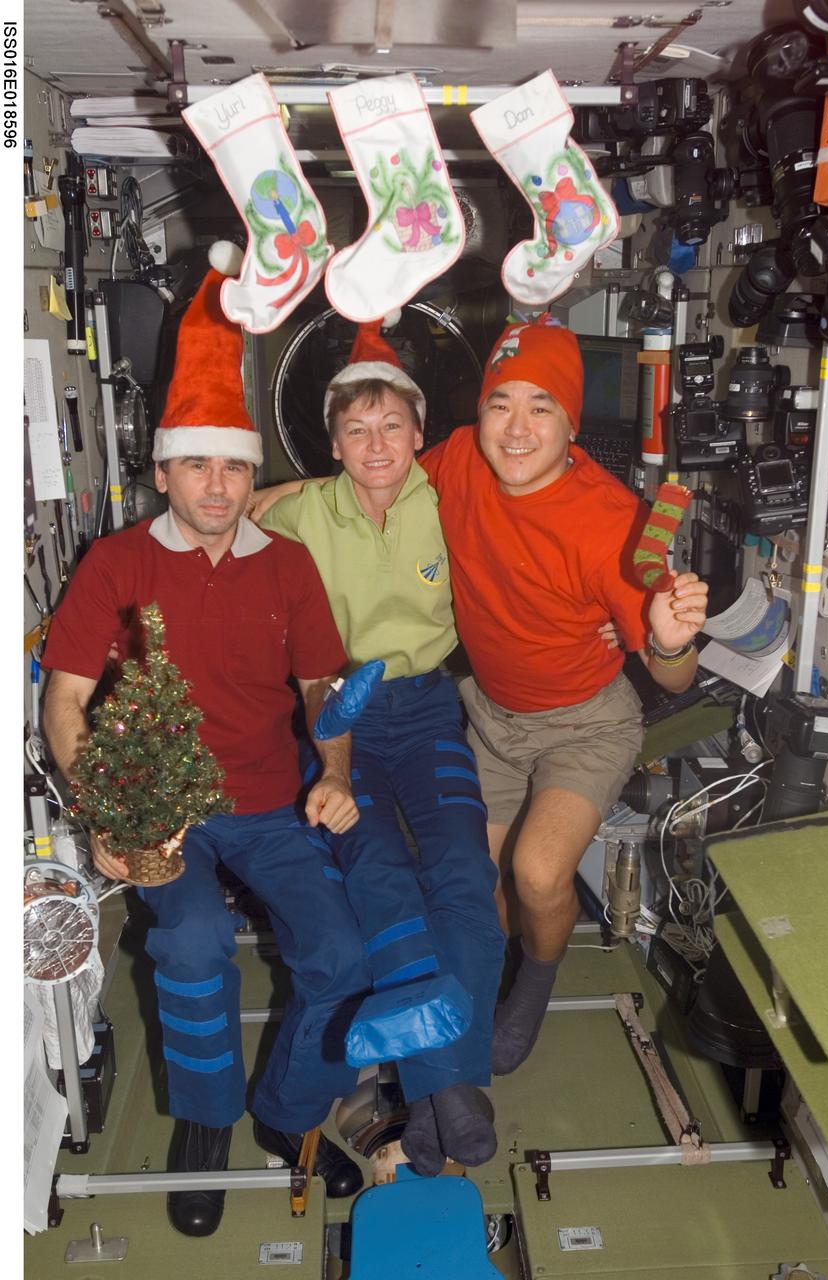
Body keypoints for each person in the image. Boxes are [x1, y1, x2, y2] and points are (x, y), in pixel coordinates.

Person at [253, 314, 709, 1080]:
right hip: (490, 717)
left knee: (537, 873)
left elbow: (676, 680)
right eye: (501, 404)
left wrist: (667, 642)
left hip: (584, 723)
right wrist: (271, 492)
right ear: (479, 413)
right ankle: (461, 1028)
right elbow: (377, 469)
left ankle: (534, 983)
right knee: (473, 890)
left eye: (541, 407)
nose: (517, 429)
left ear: (571, 423)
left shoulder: (612, 526)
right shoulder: (460, 458)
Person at [41, 268, 368, 1240]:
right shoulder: (116, 564)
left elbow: (320, 688)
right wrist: (106, 813)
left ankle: (286, 1107)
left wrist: (336, 770)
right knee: (188, 946)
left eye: (232, 466)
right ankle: (206, 1114)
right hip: (159, 808)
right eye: (196, 467)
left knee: (341, 955)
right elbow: (65, 701)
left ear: (249, 472)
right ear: (163, 471)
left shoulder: (289, 565)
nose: (217, 486)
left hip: (267, 800)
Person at [258, 322, 505, 1177]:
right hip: (336, 717)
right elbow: (217, 523)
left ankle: (446, 1089)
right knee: (381, 876)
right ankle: (445, 1090)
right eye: (355, 429)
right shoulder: (296, 513)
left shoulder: (450, 496)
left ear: (419, 431)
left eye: (392, 425)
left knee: (466, 875)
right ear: (331, 443)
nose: (375, 445)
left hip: (429, 706)